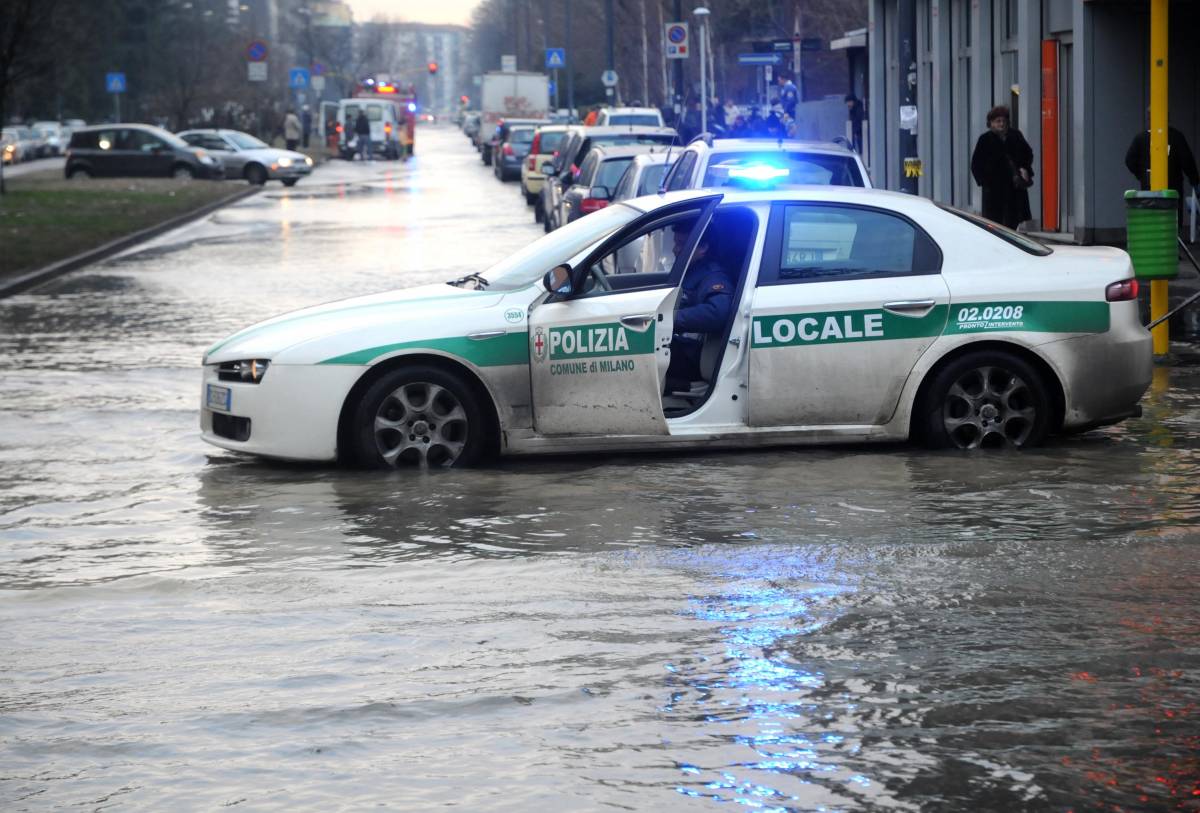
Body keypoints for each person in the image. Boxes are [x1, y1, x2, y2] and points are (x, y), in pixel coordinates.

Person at [666, 224, 735, 392]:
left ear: (703, 247)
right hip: (686, 344)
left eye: (682, 244)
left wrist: (667, 319)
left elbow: (717, 313)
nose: (675, 250)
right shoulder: (691, 271)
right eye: (676, 243)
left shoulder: (713, 275)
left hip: (696, 353)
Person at [1124, 110, 1199, 228]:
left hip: (1149, 186)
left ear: (1149, 118)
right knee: (1173, 217)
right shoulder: (1176, 137)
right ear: (1167, 118)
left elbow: (1129, 160)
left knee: (1151, 216)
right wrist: (1195, 180)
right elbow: (1187, 161)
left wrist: (1142, 175)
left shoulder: (1141, 138)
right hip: (1173, 186)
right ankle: (1174, 238)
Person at [970, 105, 1034, 230]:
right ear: (991, 123)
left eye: (1004, 121)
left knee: (1013, 220)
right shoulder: (985, 139)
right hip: (994, 189)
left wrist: (1025, 168)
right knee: (995, 221)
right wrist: (985, 181)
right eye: (998, 121)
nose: (1001, 124)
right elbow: (976, 164)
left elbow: (1028, 153)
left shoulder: (1015, 136)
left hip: (1013, 187)